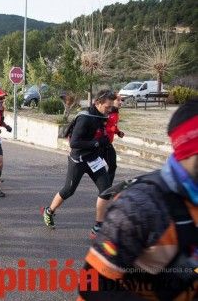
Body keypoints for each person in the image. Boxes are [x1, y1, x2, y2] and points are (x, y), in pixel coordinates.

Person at [78, 98, 198, 301]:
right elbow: (92, 286)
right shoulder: (139, 206)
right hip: (85, 158)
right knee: (73, 189)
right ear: (190, 148)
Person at [42, 89, 116, 239]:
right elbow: (74, 143)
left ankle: (98, 225)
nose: (110, 109)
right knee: (69, 190)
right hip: (79, 160)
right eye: (108, 107)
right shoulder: (86, 118)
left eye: (111, 107)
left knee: (106, 190)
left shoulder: (100, 115)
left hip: (94, 160)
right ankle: (49, 211)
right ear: (97, 103)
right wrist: (96, 143)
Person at [103, 94, 124, 186]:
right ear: (111, 101)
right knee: (96, 168)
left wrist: (118, 132)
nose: (120, 102)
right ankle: (105, 186)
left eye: (121, 100)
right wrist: (111, 129)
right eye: (118, 100)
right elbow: (101, 127)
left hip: (108, 144)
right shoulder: (106, 112)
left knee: (112, 166)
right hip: (100, 144)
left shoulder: (115, 112)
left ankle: (107, 187)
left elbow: (113, 125)